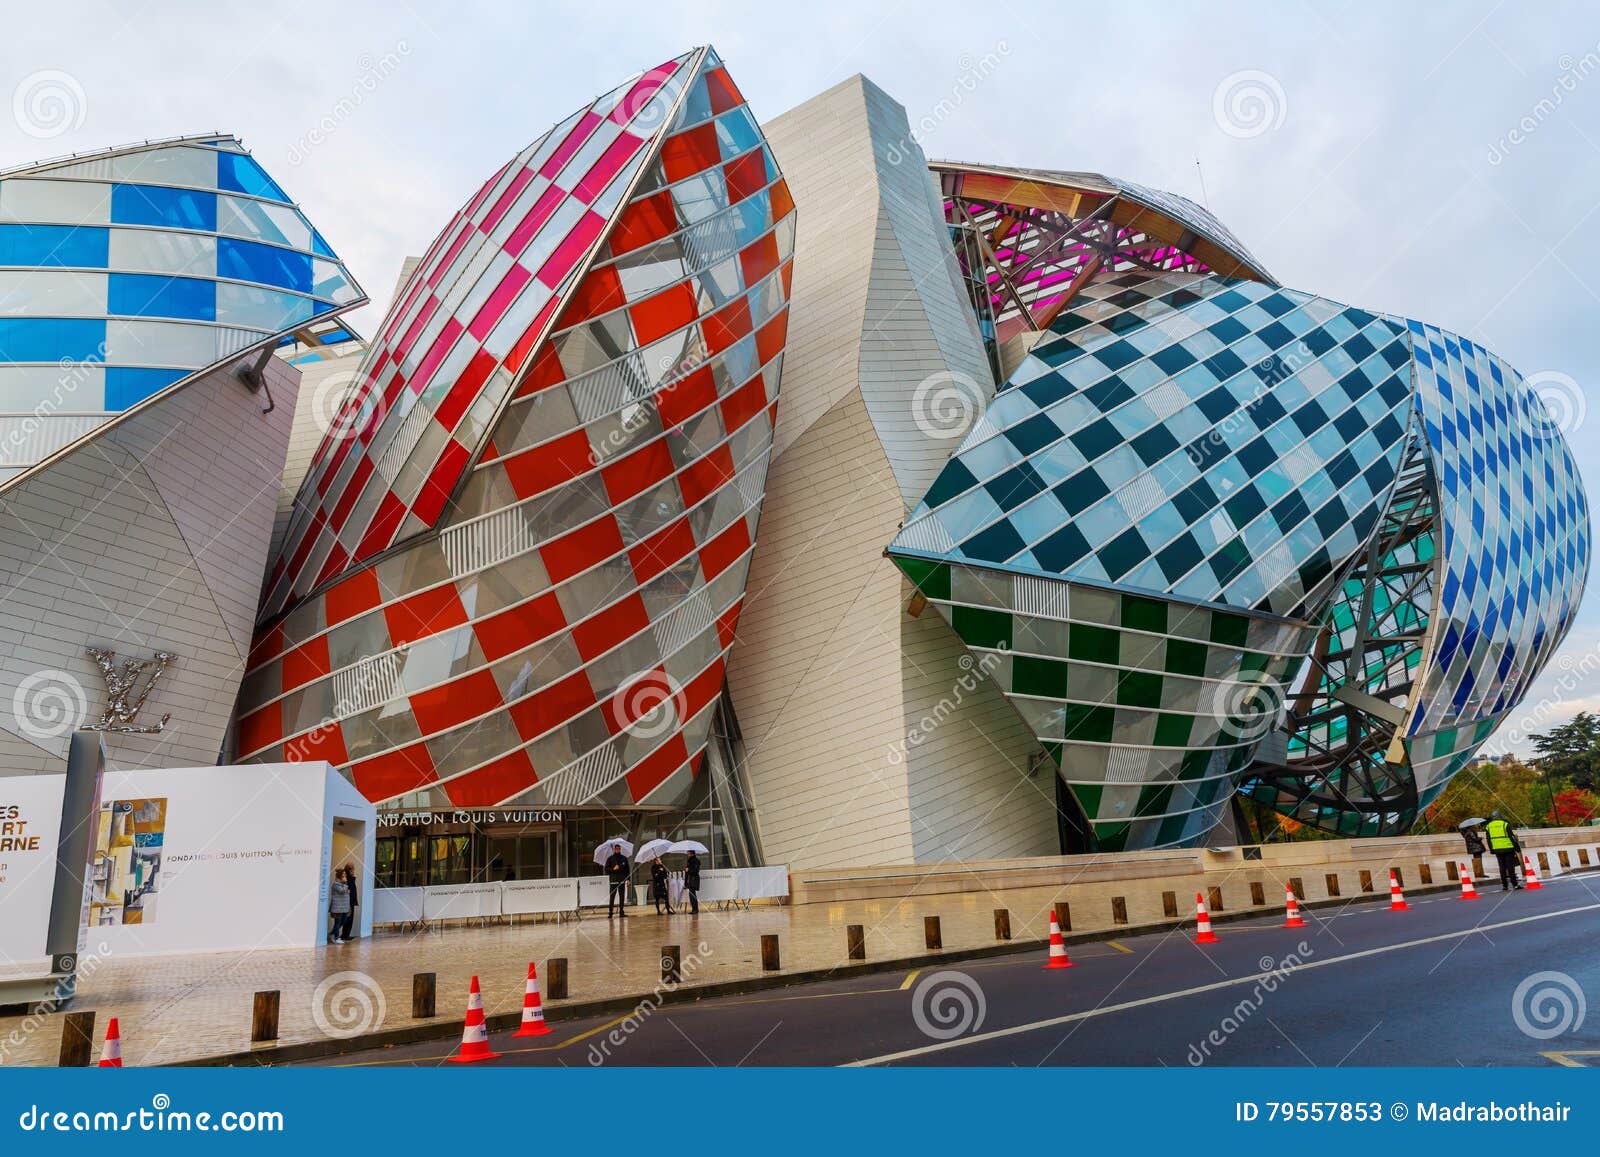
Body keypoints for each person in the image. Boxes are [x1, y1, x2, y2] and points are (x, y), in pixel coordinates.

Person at [1484, 813, 1524, 892]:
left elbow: (1488, 839)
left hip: (1497, 849)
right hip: (1508, 848)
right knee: (1510, 867)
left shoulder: (1488, 826)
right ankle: (1515, 884)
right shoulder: (1505, 824)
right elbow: (1511, 837)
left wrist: (1491, 849)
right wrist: (1517, 848)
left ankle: (1504, 886)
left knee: (1502, 867)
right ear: (1500, 817)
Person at [604, 843, 631, 918]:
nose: (617, 850)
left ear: (620, 849)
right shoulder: (610, 858)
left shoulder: (624, 858)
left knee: (622, 897)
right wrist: (613, 869)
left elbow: (627, 870)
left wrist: (628, 879)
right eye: (616, 849)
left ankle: (621, 912)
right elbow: (606, 869)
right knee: (612, 897)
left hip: (622, 880)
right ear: (614, 849)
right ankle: (610, 913)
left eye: (619, 849)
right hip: (613, 880)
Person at [328, 869, 351, 943]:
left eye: (345, 874)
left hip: (344, 907)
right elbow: (341, 891)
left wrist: (345, 886)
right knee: (337, 922)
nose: (345, 875)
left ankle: (332, 934)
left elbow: (345, 891)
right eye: (343, 874)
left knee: (343, 921)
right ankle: (337, 938)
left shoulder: (343, 884)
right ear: (340, 875)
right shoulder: (336, 884)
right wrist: (345, 885)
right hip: (337, 907)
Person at [340, 865, 359, 942]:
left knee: (349, 918)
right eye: (353, 869)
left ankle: (346, 935)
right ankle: (344, 935)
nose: (354, 871)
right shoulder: (347, 879)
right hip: (349, 902)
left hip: (351, 901)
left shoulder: (350, 878)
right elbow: (348, 889)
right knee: (348, 919)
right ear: (350, 870)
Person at [683, 849, 701, 915]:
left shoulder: (696, 861)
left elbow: (696, 871)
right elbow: (687, 872)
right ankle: (694, 909)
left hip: (694, 879)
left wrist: (688, 870)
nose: (687, 855)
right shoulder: (689, 861)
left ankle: (695, 909)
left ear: (691, 853)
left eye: (688, 853)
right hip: (690, 880)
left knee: (693, 895)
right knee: (691, 895)